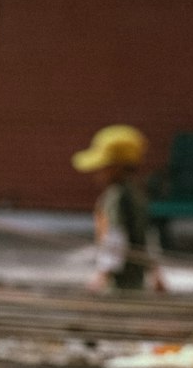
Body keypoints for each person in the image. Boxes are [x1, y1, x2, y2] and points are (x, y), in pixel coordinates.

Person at [71, 124, 165, 292]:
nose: (97, 172)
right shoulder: (137, 193)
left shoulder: (115, 196)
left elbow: (115, 236)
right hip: (136, 278)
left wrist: (102, 275)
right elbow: (146, 235)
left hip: (119, 281)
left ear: (116, 167)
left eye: (102, 167)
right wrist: (155, 271)